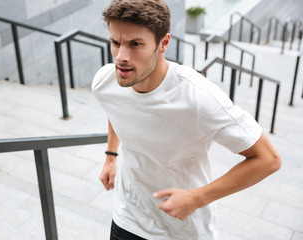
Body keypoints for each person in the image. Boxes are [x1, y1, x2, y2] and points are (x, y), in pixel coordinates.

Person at [91, 0, 281, 239]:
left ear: (164, 43)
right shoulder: (105, 82)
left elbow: (269, 159)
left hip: (183, 229)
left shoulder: (198, 97)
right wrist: (111, 155)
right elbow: (117, 107)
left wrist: (196, 198)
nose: (121, 57)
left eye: (135, 44)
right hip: (127, 219)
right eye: (115, 43)